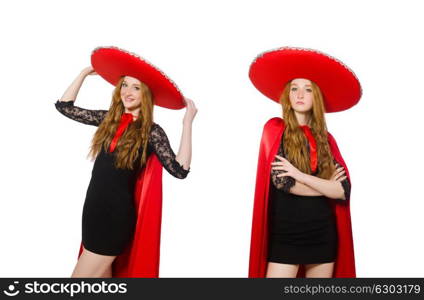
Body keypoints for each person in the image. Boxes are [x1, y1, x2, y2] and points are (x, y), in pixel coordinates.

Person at [55, 46, 197, 278]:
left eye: (136, 87)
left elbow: (179, 170)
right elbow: (64, 107)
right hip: (92, 211)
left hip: (115, 217)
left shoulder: (151, 132)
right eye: (124, 85)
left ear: (146, 95)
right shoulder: (108, 120)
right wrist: (83, 73)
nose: (127, 91)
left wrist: (187, 124)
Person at [248, 47, 361, 278]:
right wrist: (325, 187)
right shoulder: (274, 129)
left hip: (322, 233)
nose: (300, 95)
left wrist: (299, 175)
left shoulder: (327, 141)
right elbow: (283, 183)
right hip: (285, 234)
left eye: (307, 89)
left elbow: (343, 190)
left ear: (316, 97)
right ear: (287, 95)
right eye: (294, 89)